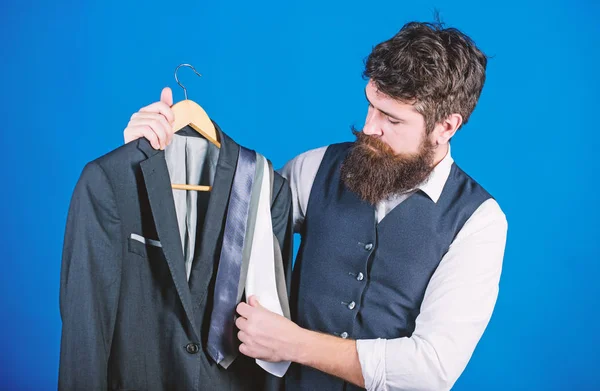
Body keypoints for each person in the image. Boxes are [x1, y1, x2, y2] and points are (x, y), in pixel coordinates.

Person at [124, 21, 508, 391]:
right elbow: (220, 229)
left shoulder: (479, 222)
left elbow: (432, 369)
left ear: (446, 127)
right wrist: (153, 159)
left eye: (391, 119)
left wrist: (293, 343)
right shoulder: (314, 167)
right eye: (371, 106)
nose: (369, 127)